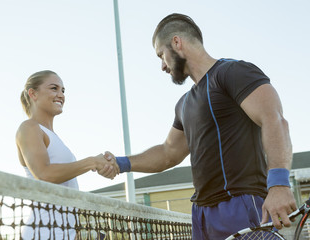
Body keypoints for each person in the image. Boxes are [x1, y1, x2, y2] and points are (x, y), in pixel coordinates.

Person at [103, 13, 297, 239]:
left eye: (161, 55)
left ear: (176, 42)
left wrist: (279, 185)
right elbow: (168, 153)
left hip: (242, 205)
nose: (163, 66)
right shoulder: (184, 104)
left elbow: (274, 120)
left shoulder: (233, 72)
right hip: (202, 215)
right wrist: (120, 163)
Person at [16, 70, 119, 240]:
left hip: (64, 233)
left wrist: (75, 231)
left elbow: (66, 188)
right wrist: (92, 162)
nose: (60, 95)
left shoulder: (55, 138)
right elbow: (44, 174)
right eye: (54, 88)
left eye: (63, 91)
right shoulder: (29, 128)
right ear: (33, 94)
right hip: (42, 234)